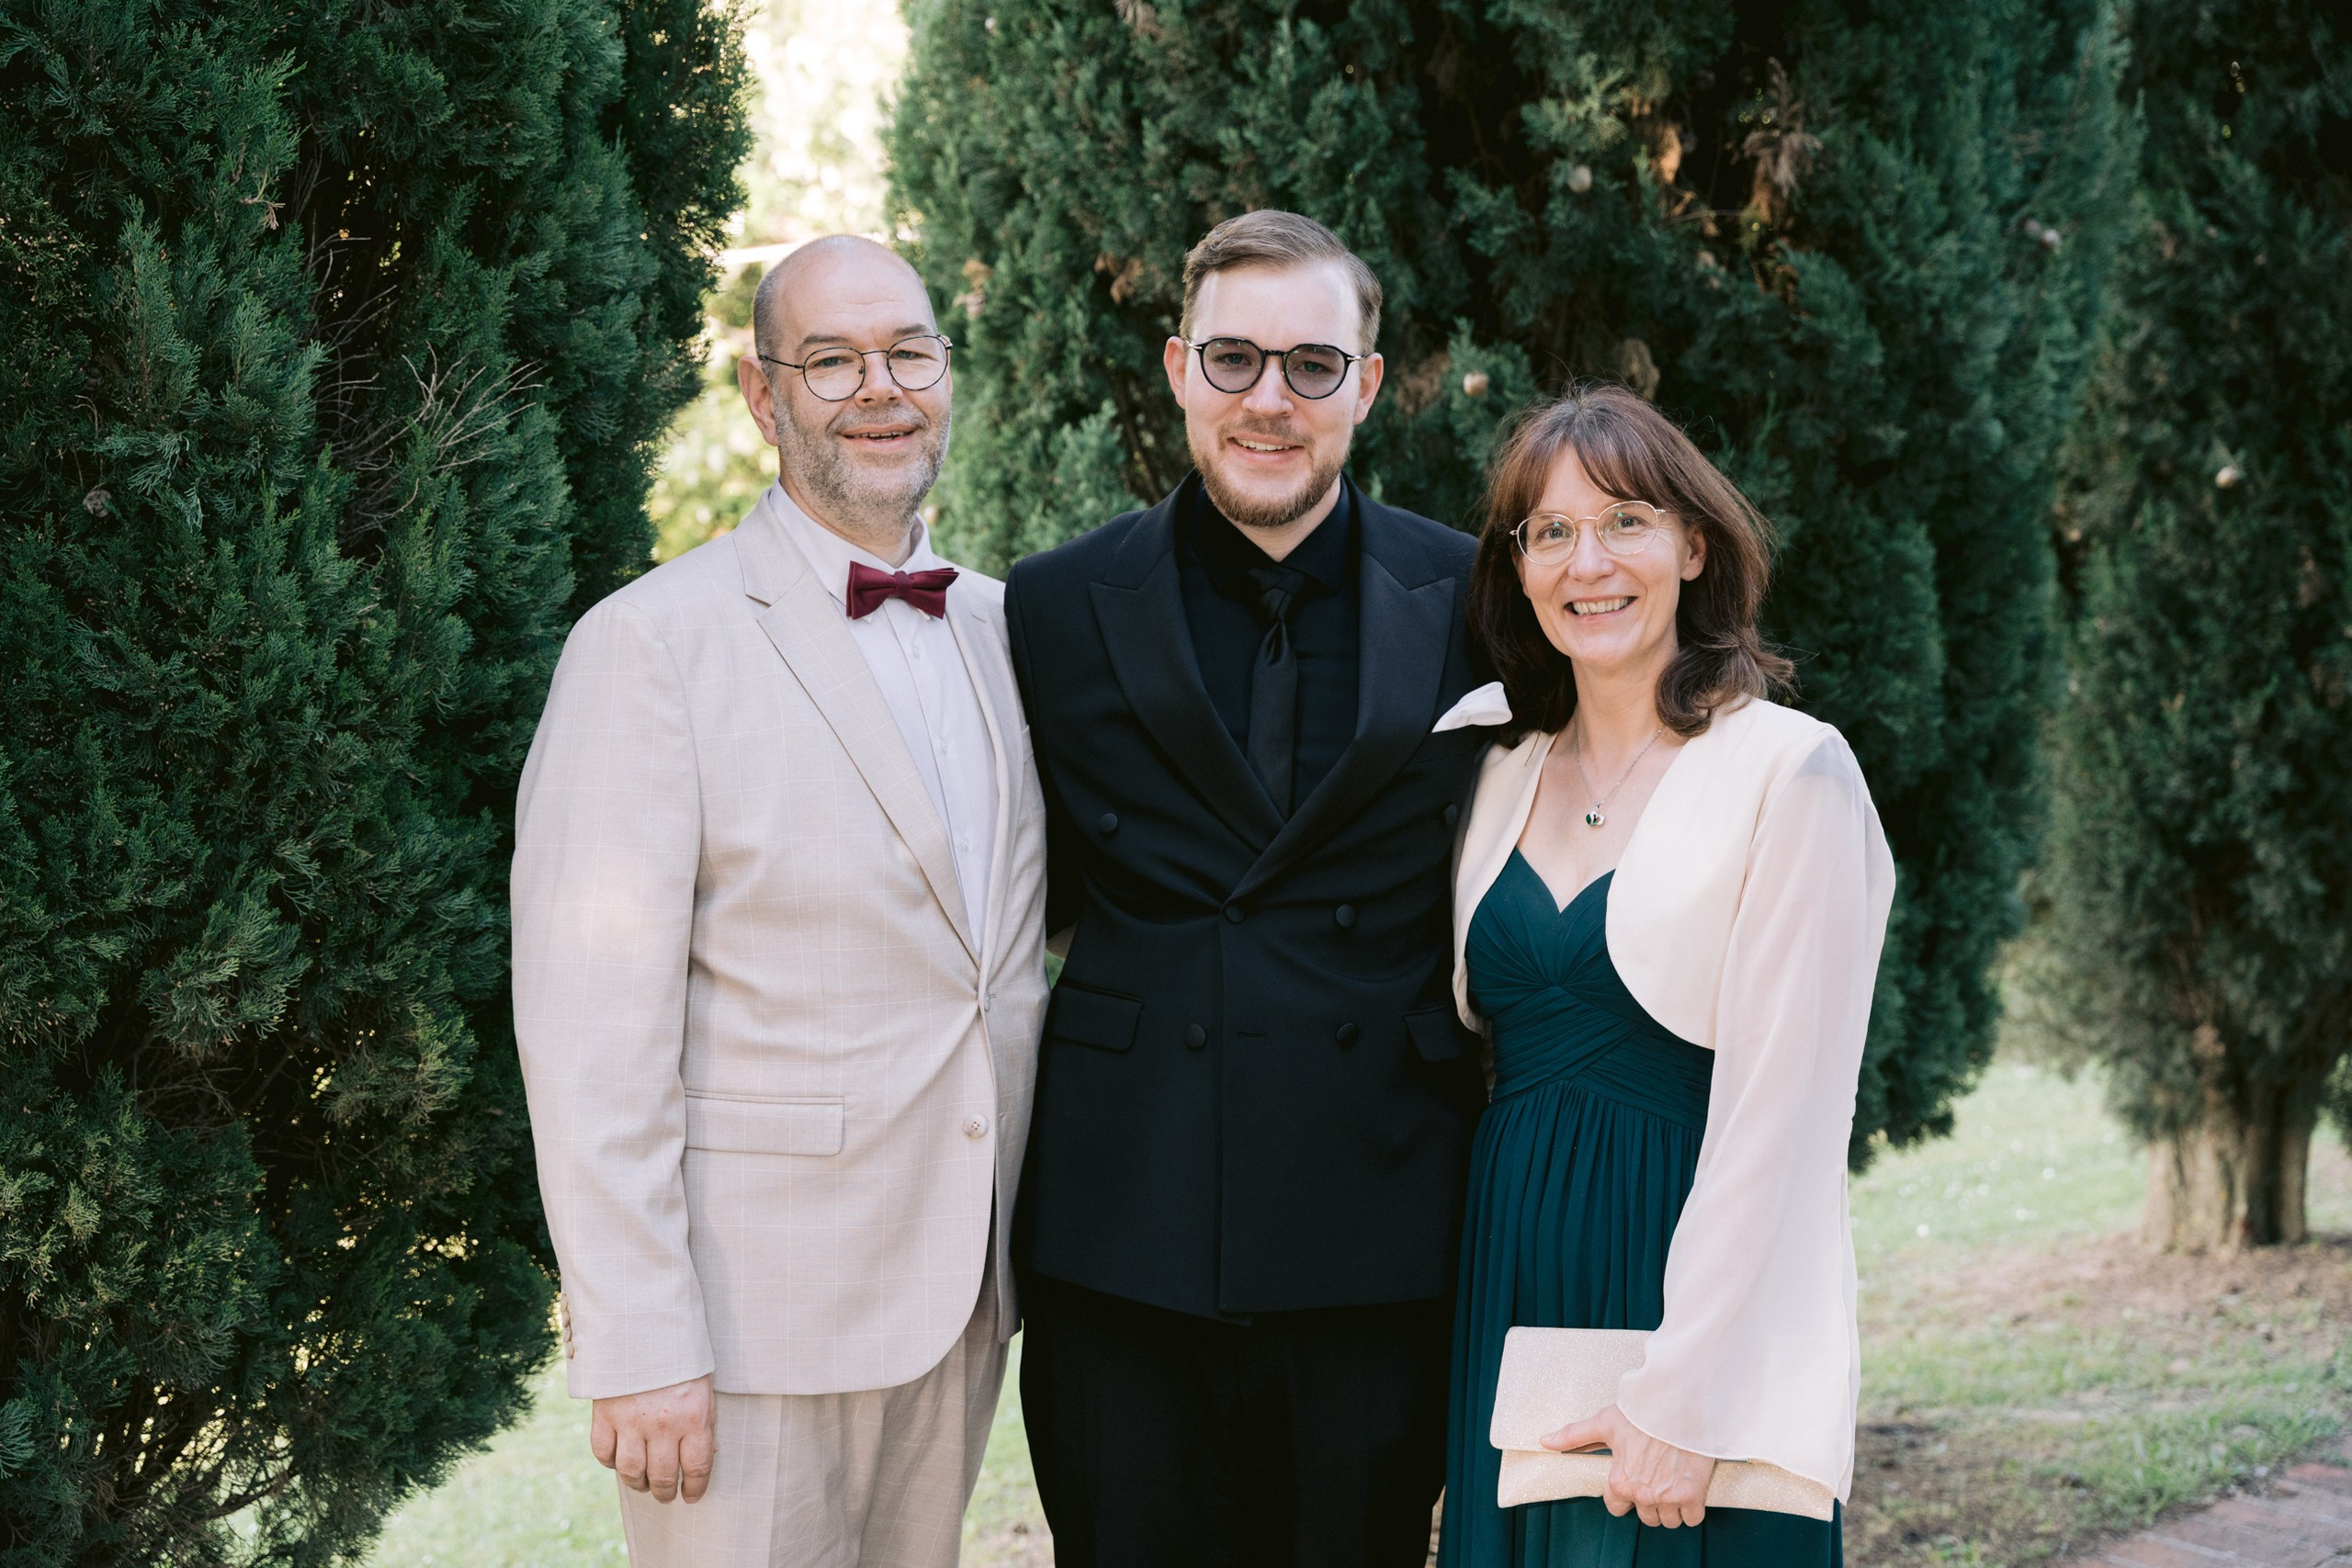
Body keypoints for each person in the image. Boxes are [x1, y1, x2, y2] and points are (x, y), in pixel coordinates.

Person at [510, 234, 1047, 1568]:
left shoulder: (1009, 629)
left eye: (909, 350)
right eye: (833, 359)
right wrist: (638, 1341)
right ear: (763, 396)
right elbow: (590, 1031)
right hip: (752, 1327)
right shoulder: (648, 646)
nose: (881, 386)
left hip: (965, 1292)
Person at [1003, 209, 1492, 1568]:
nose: (1269, 399)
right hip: (1125, 1232)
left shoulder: (1474, 593)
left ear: (1369, 385)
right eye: (1232, 359)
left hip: (1379, 1226)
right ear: (1176, 368)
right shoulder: (1047, 604)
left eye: (1312, 365)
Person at [1440, 383, 1894, 1565]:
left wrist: (1684, 1391)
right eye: (1548, 532)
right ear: (1517, 567)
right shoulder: (1491, 773)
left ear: (1693, 545)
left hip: (1687, 1268)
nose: (1586, 561)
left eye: (1625, 521)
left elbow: (1784, 1118)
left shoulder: (1790, 771)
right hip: (1513, 1264)